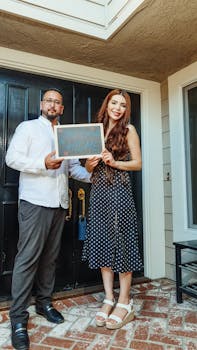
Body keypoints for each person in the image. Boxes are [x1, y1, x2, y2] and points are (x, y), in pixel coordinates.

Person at [5, 88, 91, 350]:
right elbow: (12, 159)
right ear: (42, 104)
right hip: (34, 202)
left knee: (50, 259)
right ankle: (18, 319)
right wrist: (42, 163)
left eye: (58, 102)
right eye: (49, 101)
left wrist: (92, 173)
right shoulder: (28, 128)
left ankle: (44, 304)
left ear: (62, 109)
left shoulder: (68, 135)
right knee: (27, 259)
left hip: (59, 205)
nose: (53, 105)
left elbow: (73, 168)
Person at [82, 89, 143, 330]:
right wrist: (88, 165)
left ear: (127, 109)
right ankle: (109, 297)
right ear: (107, 105)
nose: (118, 108)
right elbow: (88, 170)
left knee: (121, 243)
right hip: (98, 194)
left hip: (119, 192)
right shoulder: (94, 128)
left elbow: (138, 163)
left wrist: (114, 162)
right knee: (102, 242)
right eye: (114, 103)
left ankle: (125, 302)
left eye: (123, 105)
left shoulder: (129, 130)